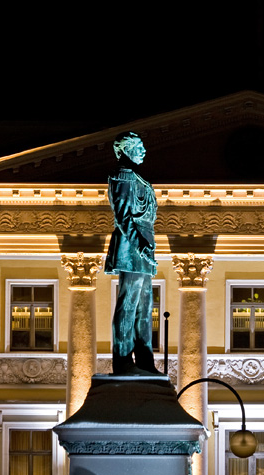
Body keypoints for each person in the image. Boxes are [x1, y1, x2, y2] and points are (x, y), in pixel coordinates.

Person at [105, 131, 162, 376]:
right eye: (139, 146)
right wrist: (140, 245)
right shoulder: (123, 177)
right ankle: (123, 359)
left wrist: (146, 246)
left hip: (144, 243)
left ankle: (145, 360)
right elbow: (123, 217)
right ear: (126, 150)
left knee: (144, 305)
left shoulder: (137, 179)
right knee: (129, 303)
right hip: (133, 245)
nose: (144, 151)